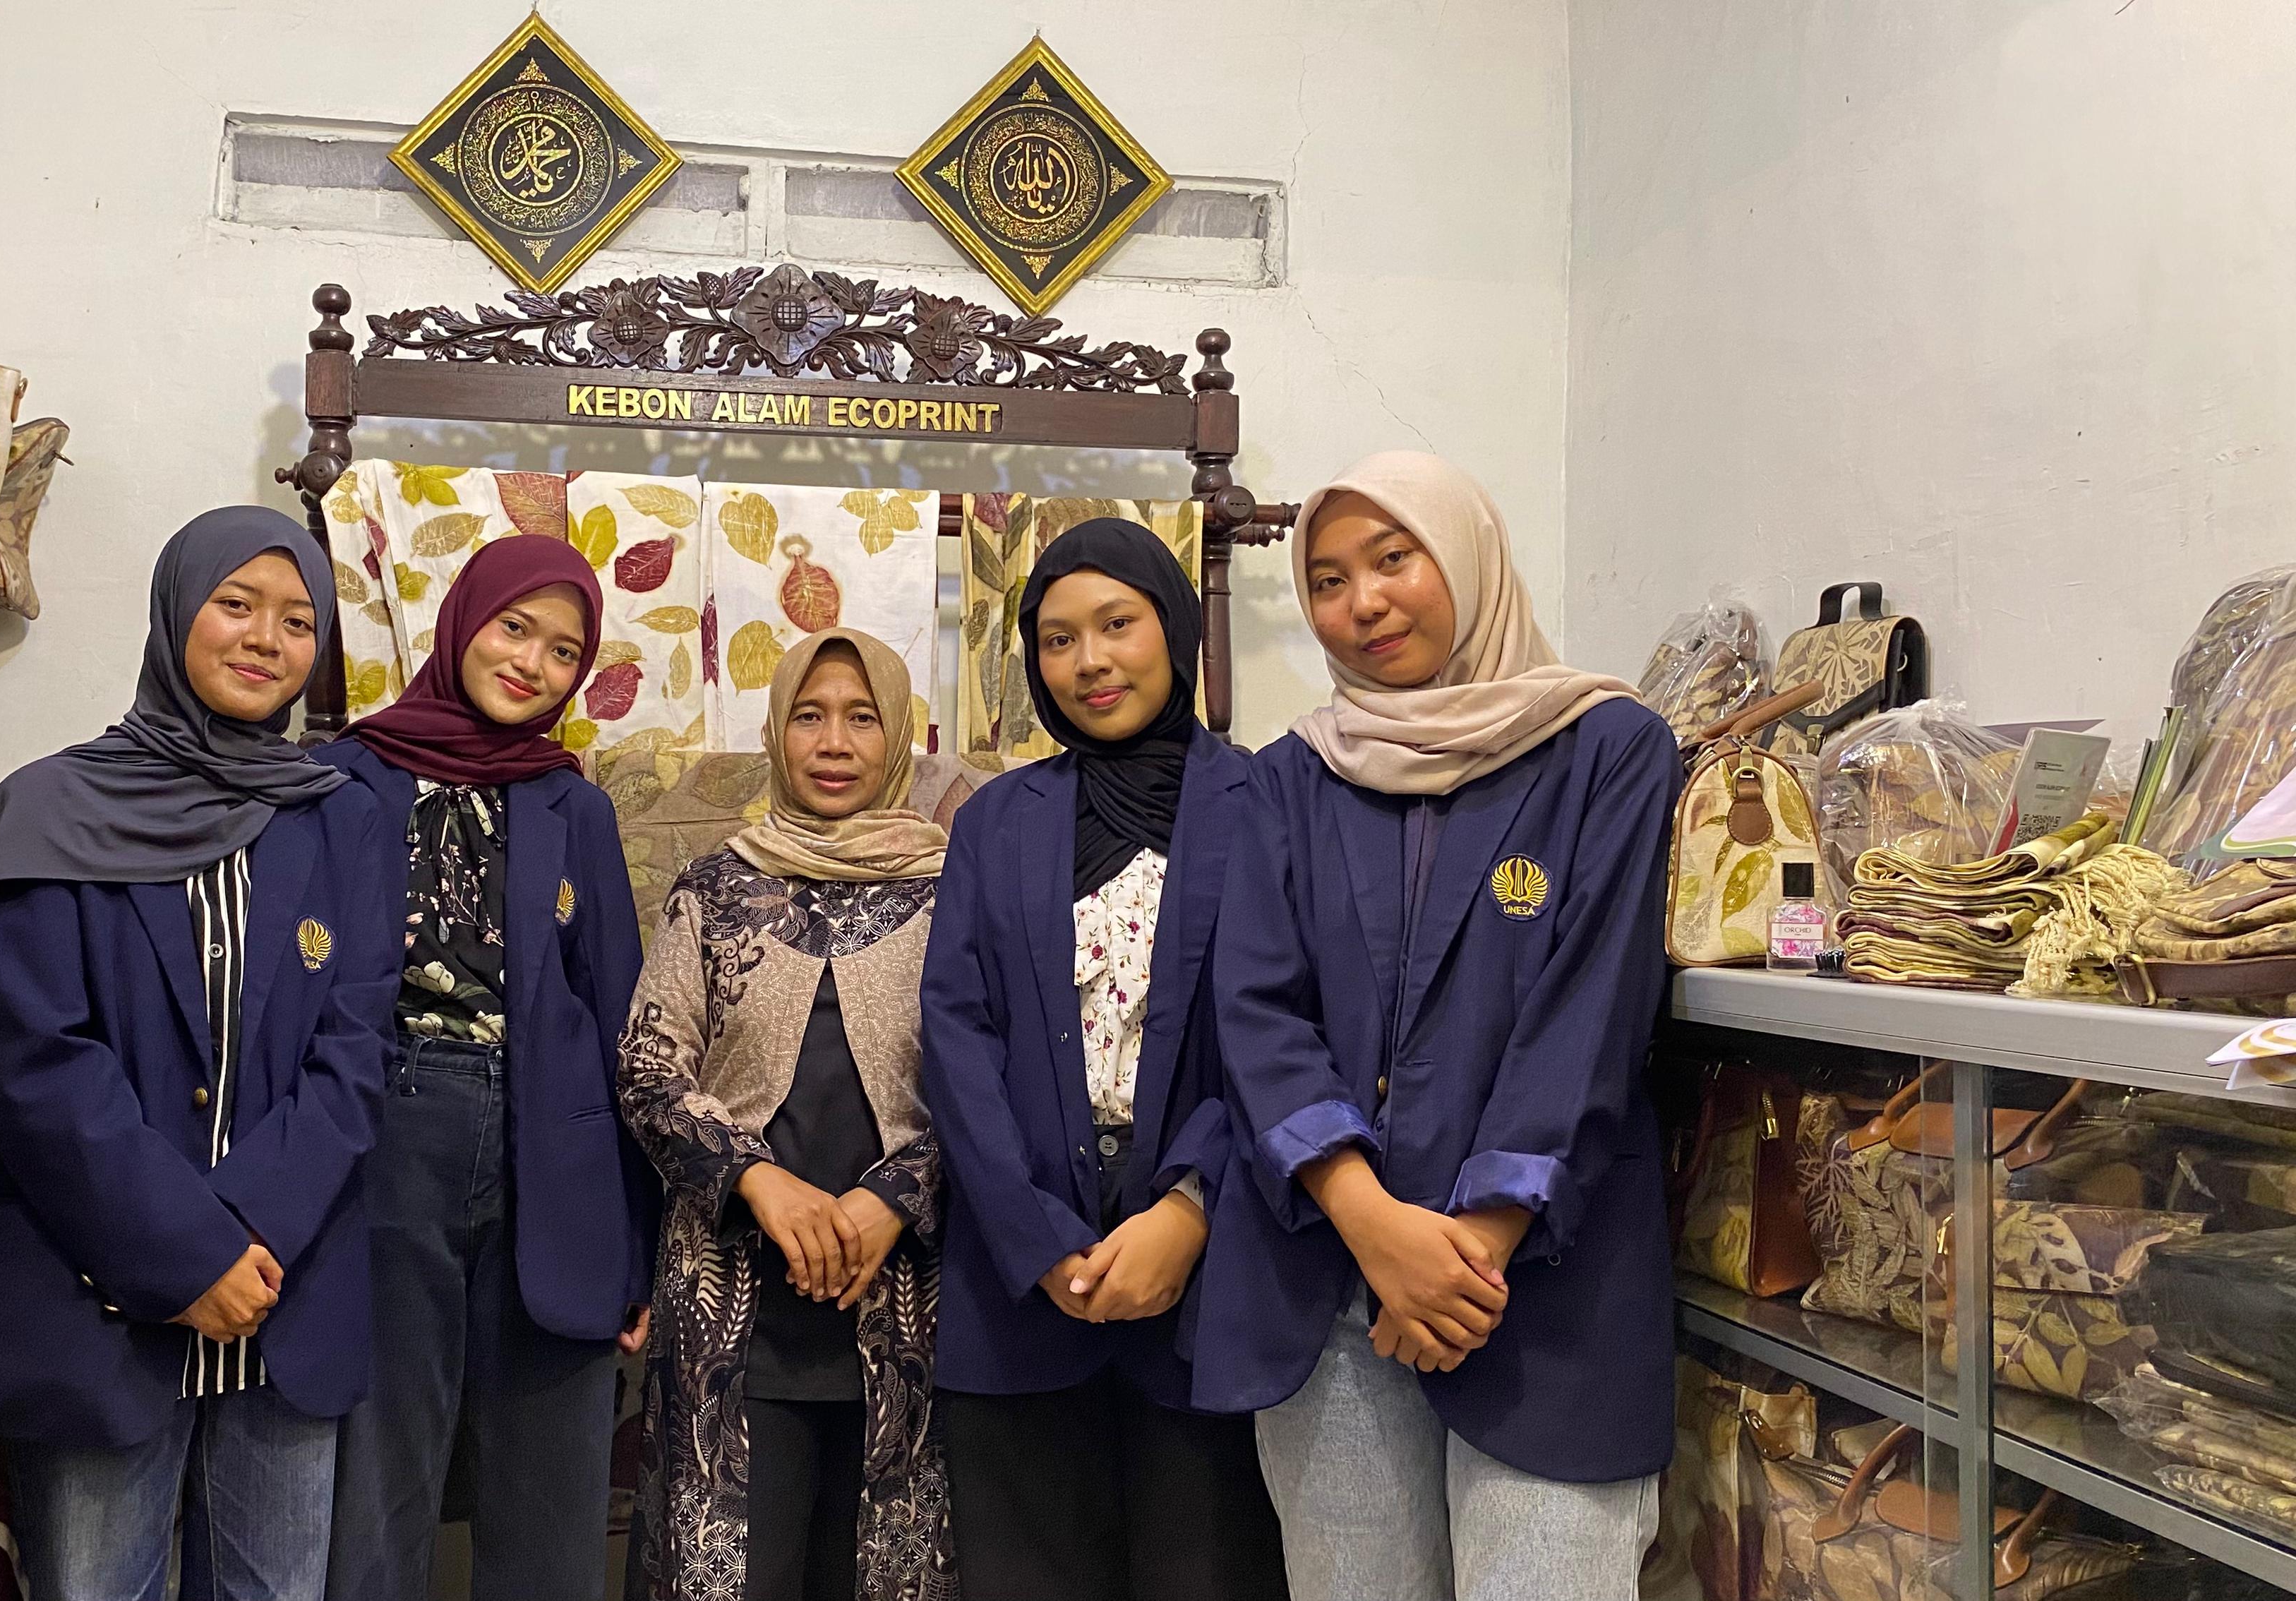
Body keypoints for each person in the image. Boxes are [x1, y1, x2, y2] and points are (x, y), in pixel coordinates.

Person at [1214, 451, 1677, 1601]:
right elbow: (1258, 1011)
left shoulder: (1607, 749)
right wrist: (1374, 1227)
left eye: (1392, 559)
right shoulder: (1288, 780)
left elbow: (1590, 1015)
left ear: (1468, 558)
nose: (1363, 603)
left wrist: (1470, 1253)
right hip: (1335, 1289)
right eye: (1327, 580)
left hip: (1545, 1288)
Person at [0, 505, 400, 1601]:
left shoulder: (341, 818)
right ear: (176, 610)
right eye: (236, 605)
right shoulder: (48, 807)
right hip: (97, 1303)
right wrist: (186, 1258)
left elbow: (357, 1043)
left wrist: (249, 1238)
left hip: (282, 1302)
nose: (265, 639)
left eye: (298, 621)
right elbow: (34, 1066)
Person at [918, 519, 1289, 1601]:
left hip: (1213, 1275)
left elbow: (1287, 1029)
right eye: (1057, 638)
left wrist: (1189, 1210)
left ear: (1173, 627)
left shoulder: (1268, 805)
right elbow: (956, 1035)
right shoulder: (997, 821)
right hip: (1022, 1281)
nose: (1090, 661)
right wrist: (1035, 1238)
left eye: (1118, 625)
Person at [318, 534, 654, 1601]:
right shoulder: (347, 778)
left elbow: (619, 1014)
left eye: (564, 652)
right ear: (465, 618)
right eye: (515, 628)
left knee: (551, 1488)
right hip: (386, 1132)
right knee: (377, 1476)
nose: (532, 664)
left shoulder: (574, 805)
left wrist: (638, 1245)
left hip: (553, 1150)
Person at [618, 628, 956, 1601]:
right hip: (732, 1303)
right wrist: (760, 1182)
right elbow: (646, 1066)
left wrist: (891, 1199)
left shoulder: (952, 894)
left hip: (908, 1305)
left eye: (862, 718)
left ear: (899, 735)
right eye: (809, 716)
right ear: (775, 733)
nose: (834, 742)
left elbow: (999, 1081)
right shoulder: (716, 888)